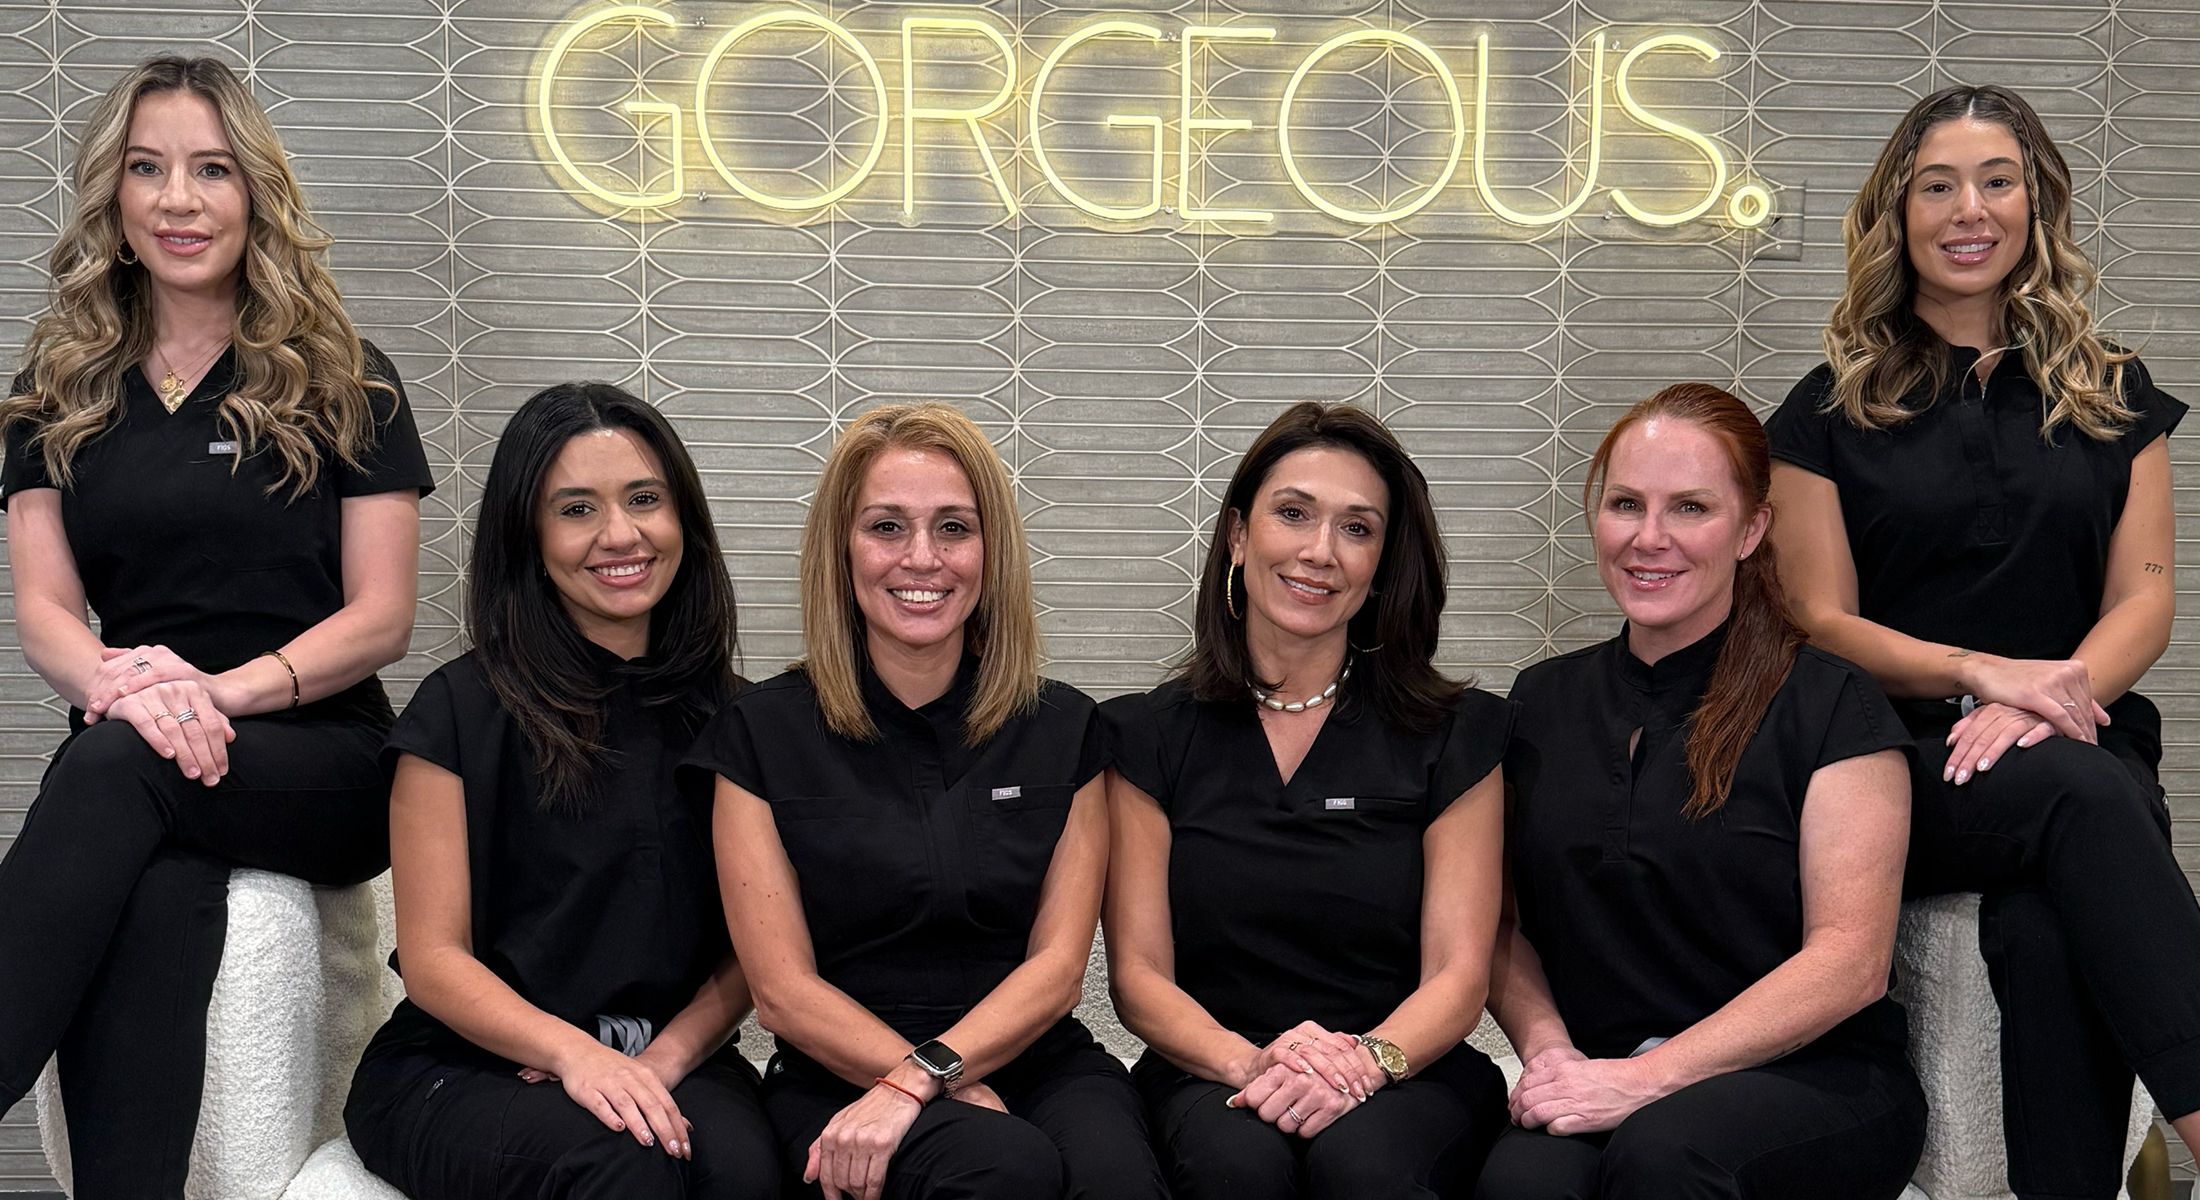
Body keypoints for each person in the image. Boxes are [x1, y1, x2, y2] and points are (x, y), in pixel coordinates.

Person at [0, 56, 429, 1195]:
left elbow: (384, 616)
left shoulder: (346, 381)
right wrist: (133, 691)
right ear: (113, 198)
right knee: (152, 880)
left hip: (318, 757)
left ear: (257, 194)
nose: (178, 200)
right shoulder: (58, 386)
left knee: (116, 768)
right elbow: (44, 610)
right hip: (138, 742)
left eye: (211, 169)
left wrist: (216, 694)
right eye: (147, 169)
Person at [1766, 84, 2200, 1195]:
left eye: (1996, 181)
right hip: (1899, 761)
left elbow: (2143, 598)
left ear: (2034, 201)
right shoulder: (1824, 413)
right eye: (1937, 184)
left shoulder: (2112, 393)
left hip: (2074, 730)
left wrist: (2036, 701)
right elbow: (1816, 619)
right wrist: (1975, 675)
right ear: (1896, 214)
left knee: (2053, 932)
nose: (1970, 209)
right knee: (2086, 791)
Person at [688, 402, 1164, 1200]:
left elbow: (1055, 971)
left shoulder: (1067, 730)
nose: (922, 558)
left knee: (1114, 1181)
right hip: (839, 1077)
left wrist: (931, 1074)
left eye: (953, 527)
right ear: (842, 550)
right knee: (999, 1167)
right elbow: (782, 992)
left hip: (1037, 1061)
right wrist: (923, 1080)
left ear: (991, 550)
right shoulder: (759, 734)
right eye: (886, 527)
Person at [1477, 383, 1925, 1199]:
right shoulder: (1537, 702)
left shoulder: (1832, 703)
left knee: (1664, 1156)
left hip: (1812, 1082)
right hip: (1600, 1067)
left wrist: (1647, 1082)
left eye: (1690, 508)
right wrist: (1551, 1055)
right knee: (1520, 1183)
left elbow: (1850, 962)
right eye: (1625, 504)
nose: (1650, 539)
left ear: (1751, 529)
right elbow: (1500, 925)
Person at [344, 382, 777, 1199]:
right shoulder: (457, 710)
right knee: (625, 1166)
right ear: (528, 534)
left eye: (644, 499)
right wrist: (570, 1053)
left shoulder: (742, 721)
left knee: (749, 1175)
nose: (621, 534)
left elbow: (753, 958)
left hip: (668, 1055)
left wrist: (658, 1063)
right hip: (464, 1065)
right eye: (576, 509)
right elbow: (435, 960)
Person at [1103, 400, 1510, 1200]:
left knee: (1367, 1170)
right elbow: (1139, 976)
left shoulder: (1458, 733)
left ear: (1384, 561)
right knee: (1235, 1168)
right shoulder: (1144, 734)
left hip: (1405, 1070)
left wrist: (1362, 1064)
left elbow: (1460, 975)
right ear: (1238, 535)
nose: (1321, 552)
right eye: (1294, 514)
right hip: (1209, 1065)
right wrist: (1252, 1064)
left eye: (1357, 529)